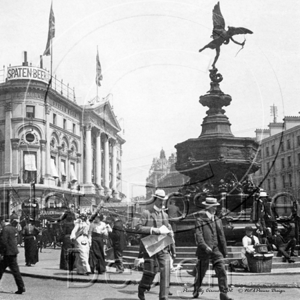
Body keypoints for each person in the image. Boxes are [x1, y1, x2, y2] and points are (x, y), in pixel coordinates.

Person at [193, 197, 233, 300]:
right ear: (208, 207)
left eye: (216, 207)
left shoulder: (218, 219)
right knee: (201, 271)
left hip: (216, 249)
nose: (215, 209)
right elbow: (199, 236)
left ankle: (223, 294)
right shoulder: (200, 220)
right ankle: (196, 288)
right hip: (204, 250)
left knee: (221, 270)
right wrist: (205, 247)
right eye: (213, 207)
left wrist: (224, 250)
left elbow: (221, 236)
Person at [136, 189, 173, 300]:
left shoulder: (165, 215)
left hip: (163, 247)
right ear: (155, 199)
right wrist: (153, 230)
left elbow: (167, 230)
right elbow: (138, 228)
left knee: (166, 270)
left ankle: (163, 297)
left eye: (164, 200)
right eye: (160, 200)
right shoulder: (146, 213)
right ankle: (142, 287)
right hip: (149, 247)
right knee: (150, 272)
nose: (162, 202)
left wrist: (169, 233)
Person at [0, 219, 25, 294]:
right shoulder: (14, 229)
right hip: (13, 252)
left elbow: (3, 241)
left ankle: (21, 287)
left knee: (0, 269)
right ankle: (21, 287)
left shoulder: (5, 229)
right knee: (16, 271)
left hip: (6, 253)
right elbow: (18, 239)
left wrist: (1, 253)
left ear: (3, 223)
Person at [58, 206, 76, 270]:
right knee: (73, 252)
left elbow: (62, 232)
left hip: (66, 238)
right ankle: (73, 265)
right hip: (73, 239)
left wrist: (60, 240)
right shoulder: (74, 224)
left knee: (65, 252)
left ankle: (65, 265)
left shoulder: (64, 224)